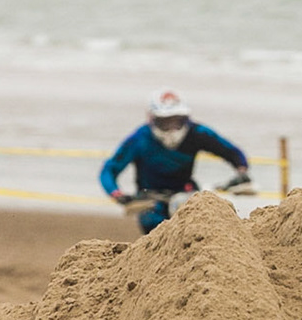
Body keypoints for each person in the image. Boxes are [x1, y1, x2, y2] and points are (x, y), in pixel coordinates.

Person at [100, 90, 251, 234]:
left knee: (203, 222)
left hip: (186, 195)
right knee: (155, 227)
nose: (172, 128)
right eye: (166, 121)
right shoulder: (140, 139)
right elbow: (109, 169)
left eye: (177, 120)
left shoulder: (196, 133)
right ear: (153, 118)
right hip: (151, 202)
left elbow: (232, 152)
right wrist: (117, 193)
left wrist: (242, 171)